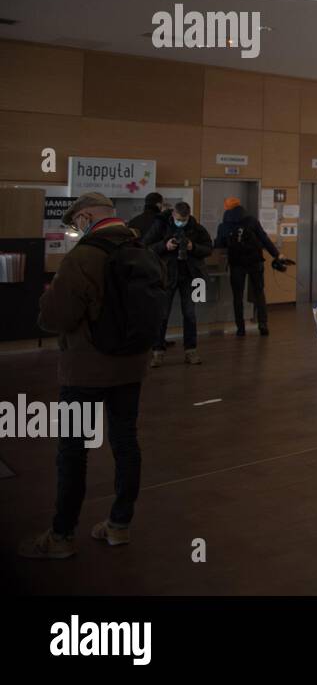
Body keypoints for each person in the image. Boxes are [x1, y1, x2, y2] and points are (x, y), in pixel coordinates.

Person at [19, 193, 160, 559]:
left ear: (83, 219)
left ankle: (62, 536)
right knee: (126, 443)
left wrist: (48, 297)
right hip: (131, 366)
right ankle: (119, 526)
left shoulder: (80, 258)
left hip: (84, 372)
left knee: (72, 450)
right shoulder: (142, 250)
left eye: (74, 224)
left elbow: (55, 318)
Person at [144, 200, 211, 367]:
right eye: (179, 218)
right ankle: (157, 351)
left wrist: (192, 247)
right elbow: (145, 246)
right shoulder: (160, 225)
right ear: (173, 214)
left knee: (190, 314)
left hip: (191, 276)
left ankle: (191, 350)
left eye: (185, 219)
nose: (182, 221)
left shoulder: (196, 227)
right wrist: (164, 246)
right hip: (166, 276)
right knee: (162, 314)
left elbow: (208, 248)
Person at [215, 196, 280, 337]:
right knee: (259, 293)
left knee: (237, 296)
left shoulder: (224, 225)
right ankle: (263, 324)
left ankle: (240, 328)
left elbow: (218, 246)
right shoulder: (252, 221)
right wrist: (276, 254)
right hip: (255, 262)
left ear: (226, 208)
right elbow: (264, 239)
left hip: (237, 264)